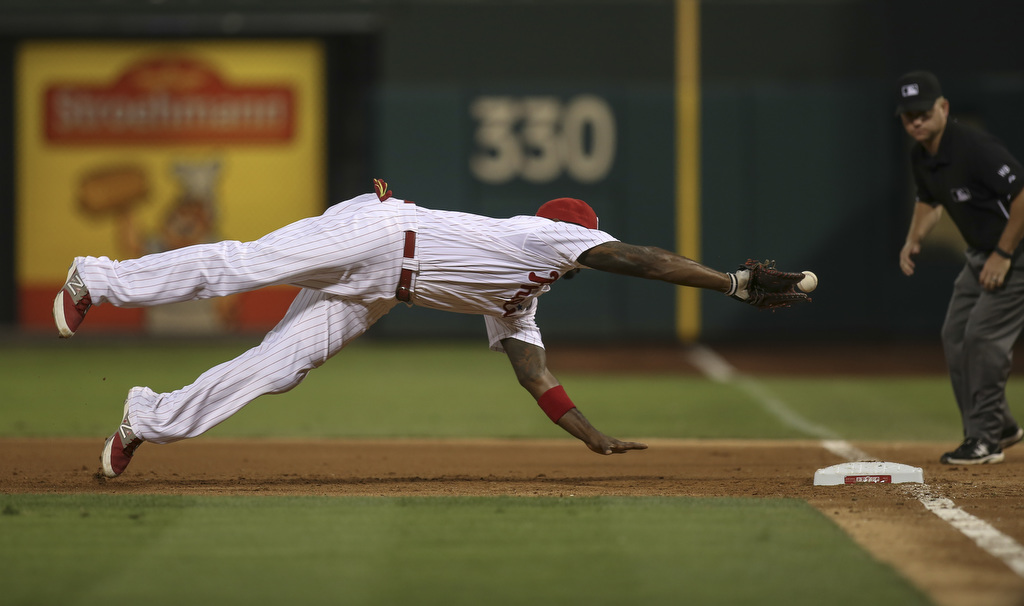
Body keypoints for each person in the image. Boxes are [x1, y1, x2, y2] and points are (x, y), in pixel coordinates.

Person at [54, 179, 805, 478]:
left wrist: (590, 434)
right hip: (382, 234)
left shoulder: (522, 300)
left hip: (381, 289)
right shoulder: (546, 237)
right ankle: (97, 276)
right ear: (575, 239)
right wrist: (730, 283)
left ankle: (145, 417)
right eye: (588, 245)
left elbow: (533, 373)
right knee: (244, 265)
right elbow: (638, 259)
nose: (587, 254)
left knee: (279, 368)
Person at [896, 70, 1024, 464]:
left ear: (943, 108)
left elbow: (1022, 196)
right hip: (981, 255)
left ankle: (984, 439)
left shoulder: (974, 146)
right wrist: (914, 238)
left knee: (983, 337)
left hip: (1015, 253)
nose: (916, 121)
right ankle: (1001, 426)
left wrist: (1003, 255)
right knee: (955, 335)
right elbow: (928, 200)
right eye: (909, 115)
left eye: (923, 112)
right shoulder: (921, 155)